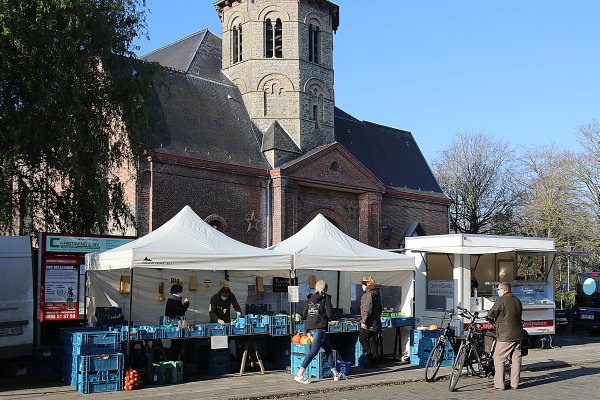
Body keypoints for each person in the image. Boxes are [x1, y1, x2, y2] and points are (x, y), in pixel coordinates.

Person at [294, 280, 346, 384]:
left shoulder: (310, 298)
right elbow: (330, 314)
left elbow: (304, 313)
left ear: (316, 288)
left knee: (328, 350)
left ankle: (335, 374)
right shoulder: (325, 298)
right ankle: (299, 375)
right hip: (319, 328)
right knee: (313, 351)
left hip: (310, 328)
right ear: (325, 289)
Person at [486, 281, 523, 391]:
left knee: (498, 357)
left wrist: (490, 319)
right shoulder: (517, 300)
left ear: (504, 290)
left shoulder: (501, 300)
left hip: (505, 334)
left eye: (498, 289)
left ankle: (499, 384)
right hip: (518, 333)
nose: (498, 291)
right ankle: (515, 384)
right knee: (516, 358)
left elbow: (491, 314)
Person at [359, 275, 383, 368]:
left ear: (365, 285)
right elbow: (379, 307)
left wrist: (364, 321)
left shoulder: (368, 294)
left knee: (362, 338)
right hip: (375, 320)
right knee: (372, 340)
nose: (361, 287)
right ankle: (373, 361)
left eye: (362, 285)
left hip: (369, 321)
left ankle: (369, 358)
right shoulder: (376, 292)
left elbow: (367, 309)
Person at [164, 284, 190, 361]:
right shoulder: (173, 300)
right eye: (180, 291)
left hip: (176, 326)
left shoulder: (175, 300)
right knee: (175, 345)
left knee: (176, 345)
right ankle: (173, 361)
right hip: (174, 326)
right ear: (177, 292)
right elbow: (180, 312)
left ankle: (175, 360)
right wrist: (186, 304)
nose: (181, 293)